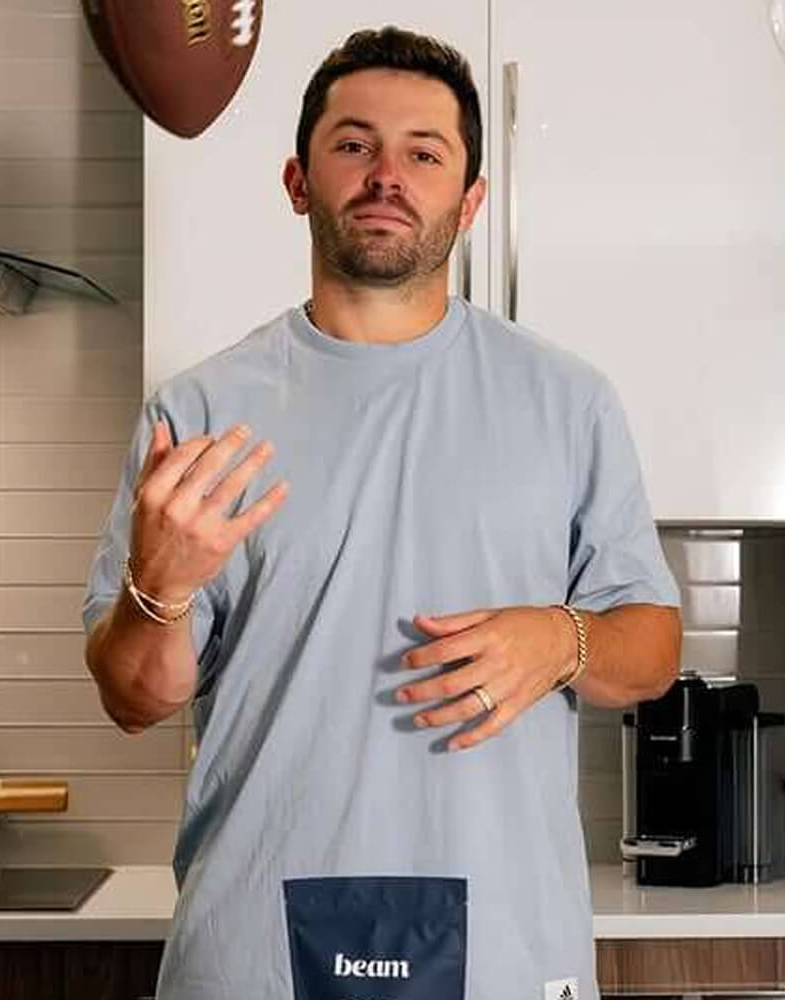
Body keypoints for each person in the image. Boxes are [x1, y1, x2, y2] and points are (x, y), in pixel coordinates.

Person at [83, 25, 681, 1000]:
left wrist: (561, 639)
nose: (386, 175)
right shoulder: (198, 413)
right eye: (355, 144)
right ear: (297, 181)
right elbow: (133, 699)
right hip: (255, 951)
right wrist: (159, 589)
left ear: (471, 201)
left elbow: (651, 649)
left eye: (424, 153)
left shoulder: (568, 402)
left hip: (506, 950)